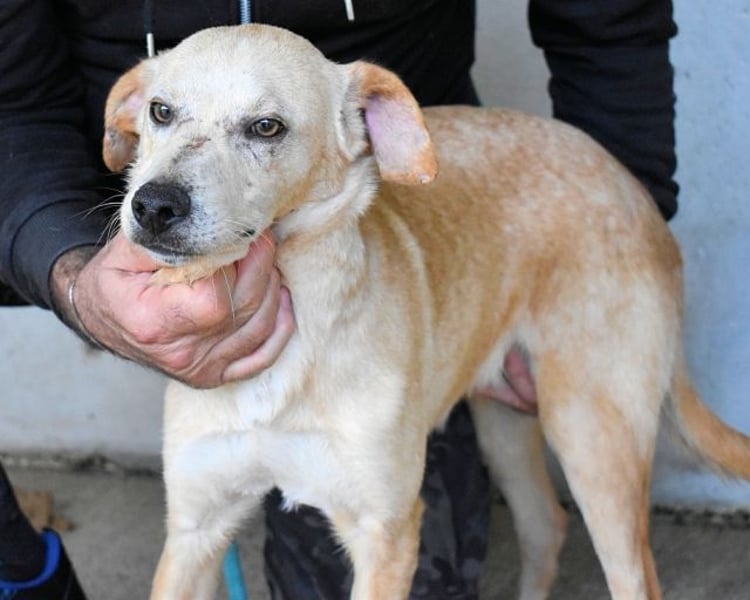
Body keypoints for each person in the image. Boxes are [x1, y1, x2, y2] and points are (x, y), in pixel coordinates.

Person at [0, 1, 678, 598]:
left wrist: (624, 226)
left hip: (425, 297)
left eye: (264, 128)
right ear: (131, 113)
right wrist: (72, 277)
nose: (163, 190)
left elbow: (606, 19)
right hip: (225, 325)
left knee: (553, 514)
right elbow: (14, 102)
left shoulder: (352, 108)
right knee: (195, 531)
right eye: (164, 114)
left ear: (363, 129)